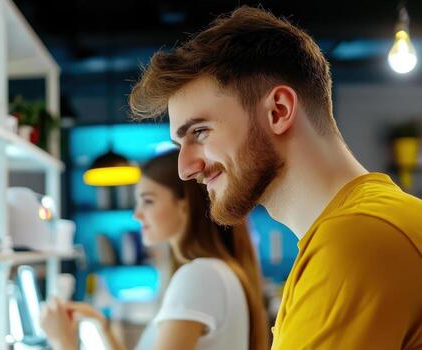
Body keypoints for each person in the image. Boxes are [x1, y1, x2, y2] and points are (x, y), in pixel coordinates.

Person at [129, 5, 422, 350]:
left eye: (201, 132)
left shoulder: (355, 240)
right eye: (180, 143)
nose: (185, 167)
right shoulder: (368, 222)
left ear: (278, 111)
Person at [40, 150, 269, 350]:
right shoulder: (214, 271)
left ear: (184, 206)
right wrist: (104, 326)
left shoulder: (200, 276)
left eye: (148, 201)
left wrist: (63, 343)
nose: (137, 215)